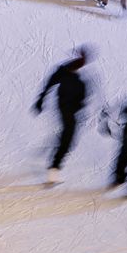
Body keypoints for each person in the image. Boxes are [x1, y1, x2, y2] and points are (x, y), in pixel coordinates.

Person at [34, 48, 91, 185]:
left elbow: (82, 97)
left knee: (67, 137)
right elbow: (49, 84)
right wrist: (41, 99)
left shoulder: (77, 80)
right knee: (67, 139)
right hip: (66, 109)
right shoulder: (67, 74)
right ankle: (54, 168)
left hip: (69, 109)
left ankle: (55, 157)